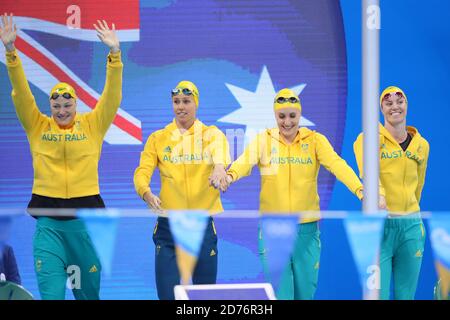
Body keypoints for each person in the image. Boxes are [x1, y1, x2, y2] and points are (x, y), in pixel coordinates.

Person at [1, 13, 123, 299]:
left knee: (88, 296)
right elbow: (22, 92)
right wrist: (11, 52)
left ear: (75, 104)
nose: (61, 109)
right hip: (49, 229)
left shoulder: (93, 124)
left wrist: (115, 55)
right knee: (52, 295)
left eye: (67, 104)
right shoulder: (38, 126)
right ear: (50, 106)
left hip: (85, 227)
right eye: (55, 104)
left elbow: (112, 97)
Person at [219, 88, 364, 300]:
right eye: (281, 116)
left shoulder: (315, 141)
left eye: (292, 116)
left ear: (300, 115)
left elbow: (337, 165)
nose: (287, 122)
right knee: (282, 295)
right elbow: (244, 162)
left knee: (305, 295)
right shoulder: (263, 141)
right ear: (275, 116)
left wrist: (361, 190)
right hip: (272, 230)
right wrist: (230, 176)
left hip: (306, 231)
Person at [134, 80, 230, 300]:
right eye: (176, 102)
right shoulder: (158, 138)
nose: (181, 106)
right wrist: (145, 192)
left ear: (196, 103)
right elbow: (142, 171)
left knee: (204, 300)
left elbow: (221, 150)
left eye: (186, 101)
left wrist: (218, 167)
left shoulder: (211, 134)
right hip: (169, 229)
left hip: (201, 227)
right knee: (167, 296)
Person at [353, 86, 430, 300]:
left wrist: (411, 212)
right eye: (388, 103)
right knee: (377, 296)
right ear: (381, 109)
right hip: (380, 227)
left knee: (406, 296)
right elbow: (366, 170)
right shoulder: (368, 138)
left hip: (411, 227)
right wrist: (378, 193)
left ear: (407, 105)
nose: (395, 106)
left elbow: (419, 186)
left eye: (400, 101)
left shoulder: (422, 145)